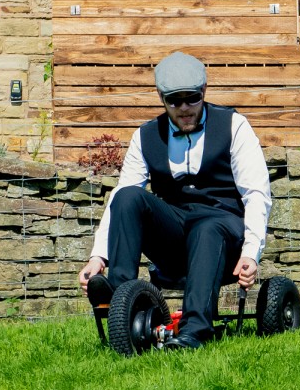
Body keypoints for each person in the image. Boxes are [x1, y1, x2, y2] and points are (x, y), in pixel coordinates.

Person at [78, 51, 272, 350]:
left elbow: (256, 193)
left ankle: (194, 331)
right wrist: (97, 256)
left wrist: (251, 252)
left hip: (223, 232)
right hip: (175, 232)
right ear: (161, 98)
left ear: (204, 91)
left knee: (208, 228)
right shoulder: (145, 136)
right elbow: (121, 198)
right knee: (128, 196)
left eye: (191, 98)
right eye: (174, 100)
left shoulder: (234, 126)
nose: (184, 108)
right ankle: (121, 300)